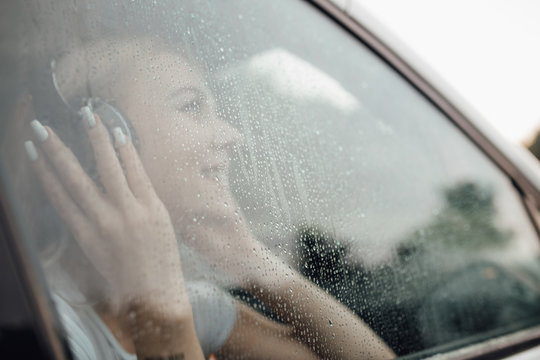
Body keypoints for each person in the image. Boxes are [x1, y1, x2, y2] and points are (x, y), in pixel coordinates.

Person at [22, 37, 395, 359]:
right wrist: (157, 299)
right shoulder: (45, 325)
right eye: (190, 106)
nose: (233, 136)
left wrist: (245, 255)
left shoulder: (193, 304)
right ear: (104, 137)